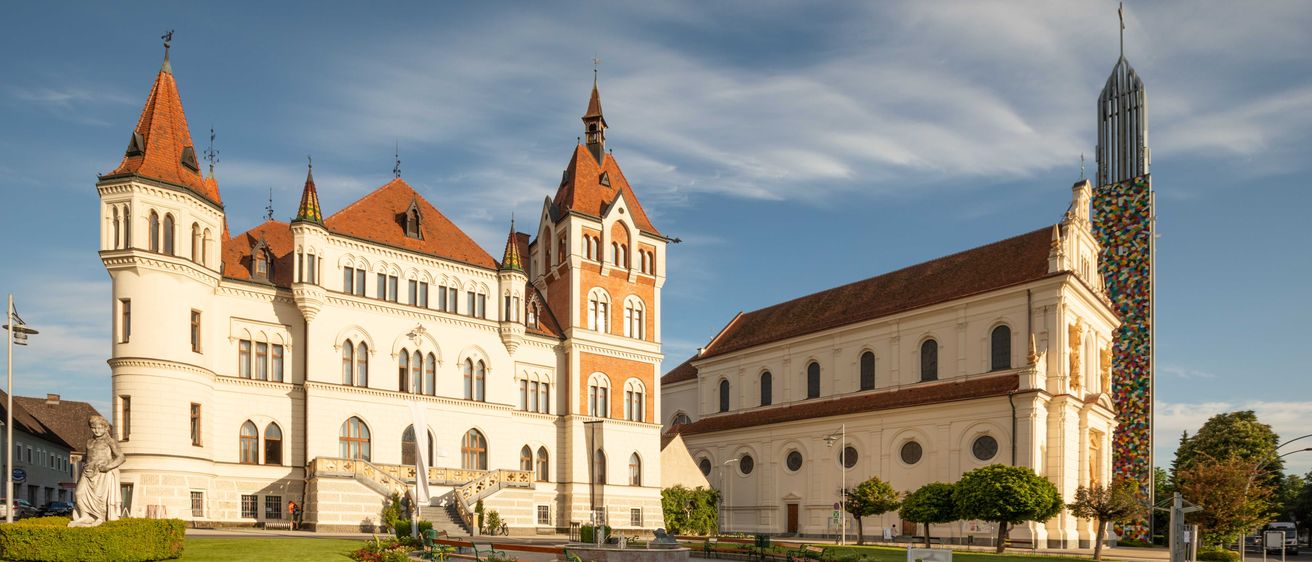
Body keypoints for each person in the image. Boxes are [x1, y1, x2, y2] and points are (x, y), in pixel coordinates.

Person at [68, 415, 125, 527]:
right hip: (88, 471)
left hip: (102, 473)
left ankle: (100, 517)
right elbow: (89, 455)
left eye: (99, 428)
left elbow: (121, 457)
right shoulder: (89, 441)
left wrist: (108, 467)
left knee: (99, 497)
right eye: (94, 428)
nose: (96, 430)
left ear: (106, 428)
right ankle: (85, 516)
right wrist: (81, 459)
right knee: (79, 493)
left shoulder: (110, 441)